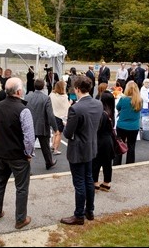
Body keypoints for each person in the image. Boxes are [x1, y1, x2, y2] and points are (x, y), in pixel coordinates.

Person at [0, 77, 35, 229]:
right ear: (18, 91)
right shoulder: (23, 110)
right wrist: (29, 154)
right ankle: (20, 219)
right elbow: (29, 138)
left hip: (1, 153)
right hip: (18, 155)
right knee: (21, 187)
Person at [60, 76, 103, 225]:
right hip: (90, 146)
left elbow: (67, 133)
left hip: (78, 149)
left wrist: (66, 123)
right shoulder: (98, 104)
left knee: (80, 183)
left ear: (77, 89)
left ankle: (79, 215)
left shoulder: (76, 108)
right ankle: (89, 210)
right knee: (89, 179)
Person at [25, 79, 58, 170]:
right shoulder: (46, 98)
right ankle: (49, 162)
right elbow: (50, 115)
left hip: (29, 125)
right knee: (45, 147)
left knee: (28, 148)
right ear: (43, 86)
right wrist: (55, 128)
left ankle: (26, 167)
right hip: (42, 126)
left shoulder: (27, 97)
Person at [113, 80, 142, 165]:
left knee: (119, 145)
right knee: (131, 146)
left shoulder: (123, 99)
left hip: (122, 125)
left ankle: (117, 163)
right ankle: (130, 163)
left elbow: (118, 107)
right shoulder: (140, 100)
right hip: (134, 126)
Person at [92, 91, 115, 192]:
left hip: (100, 140)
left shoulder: (102, 114)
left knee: (96, 162)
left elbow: (97, 128)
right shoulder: (111, 112)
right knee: (107, 163)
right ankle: (107, 182)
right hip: (109, 141)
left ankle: (95, 182)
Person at [49, 80, 71, 155]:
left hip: (53, 115)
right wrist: (70, 103)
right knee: (59, 133)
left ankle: (52, 145)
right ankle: (56, 149)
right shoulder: (64, 97)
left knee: (55, 132)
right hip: (60, 117)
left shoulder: (51, 94)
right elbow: (67, 107)